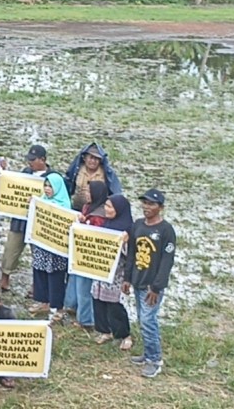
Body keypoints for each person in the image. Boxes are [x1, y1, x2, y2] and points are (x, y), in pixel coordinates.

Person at [124, 189, 176, 378]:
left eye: (151, 204)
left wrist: (156, 287)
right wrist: (127, 278)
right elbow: (131, 253)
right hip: (138, 280)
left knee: (148, 321)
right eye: (144, 203)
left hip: (151, 286)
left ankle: (155, 360)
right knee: (141, 318)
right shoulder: (138, 225)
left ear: (160, 207)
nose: (147, 207)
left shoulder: (166, 230)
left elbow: (166, 262)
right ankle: (147, 354)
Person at [0, 145, 52, 293]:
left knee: (39, 254)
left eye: (33, 160)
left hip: (39, 222)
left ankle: (37, 286)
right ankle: (4, 279)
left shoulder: (52, 177)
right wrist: (2, 171)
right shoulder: (26, 172)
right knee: (11, 249)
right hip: (20, 219)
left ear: (43, 160)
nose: (30, 163)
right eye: (29, 160)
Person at [92, 194, 134, 351]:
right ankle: (104, 330)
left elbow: (130, 255)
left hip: (116, 273)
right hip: (100, 270)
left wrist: (125, 242)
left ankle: (124, 335)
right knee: (98, 300)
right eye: (105, 206)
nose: (106, 210)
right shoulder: (106, 224)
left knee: (114, 304)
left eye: (110, 207)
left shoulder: (128, 229)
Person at [66, 180, 108, 329]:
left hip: (89, 256)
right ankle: (72, 306)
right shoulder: (87, 207)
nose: (86, 194)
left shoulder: (101, 214)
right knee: (75, 281)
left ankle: (86, 320)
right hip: (79, 253)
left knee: (84, 287)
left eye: (89, 192)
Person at [29, 173, 70, 323]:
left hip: (56, 249)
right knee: (39, 271)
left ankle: (57, 306)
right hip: (41, 245)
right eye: (45, 185)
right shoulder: (42, 201)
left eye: (50, 186)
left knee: (55, 276)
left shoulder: (64, 205)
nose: (47, 189)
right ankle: (43, 301)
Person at [64, 143, 122, 210]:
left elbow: (115, 192)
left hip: (97, 211)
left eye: (96, 159)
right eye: (91, 157)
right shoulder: (77, 170)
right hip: (77, 207)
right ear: (85, 158)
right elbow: (68, 183)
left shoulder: (106, 174)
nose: (93, 161)